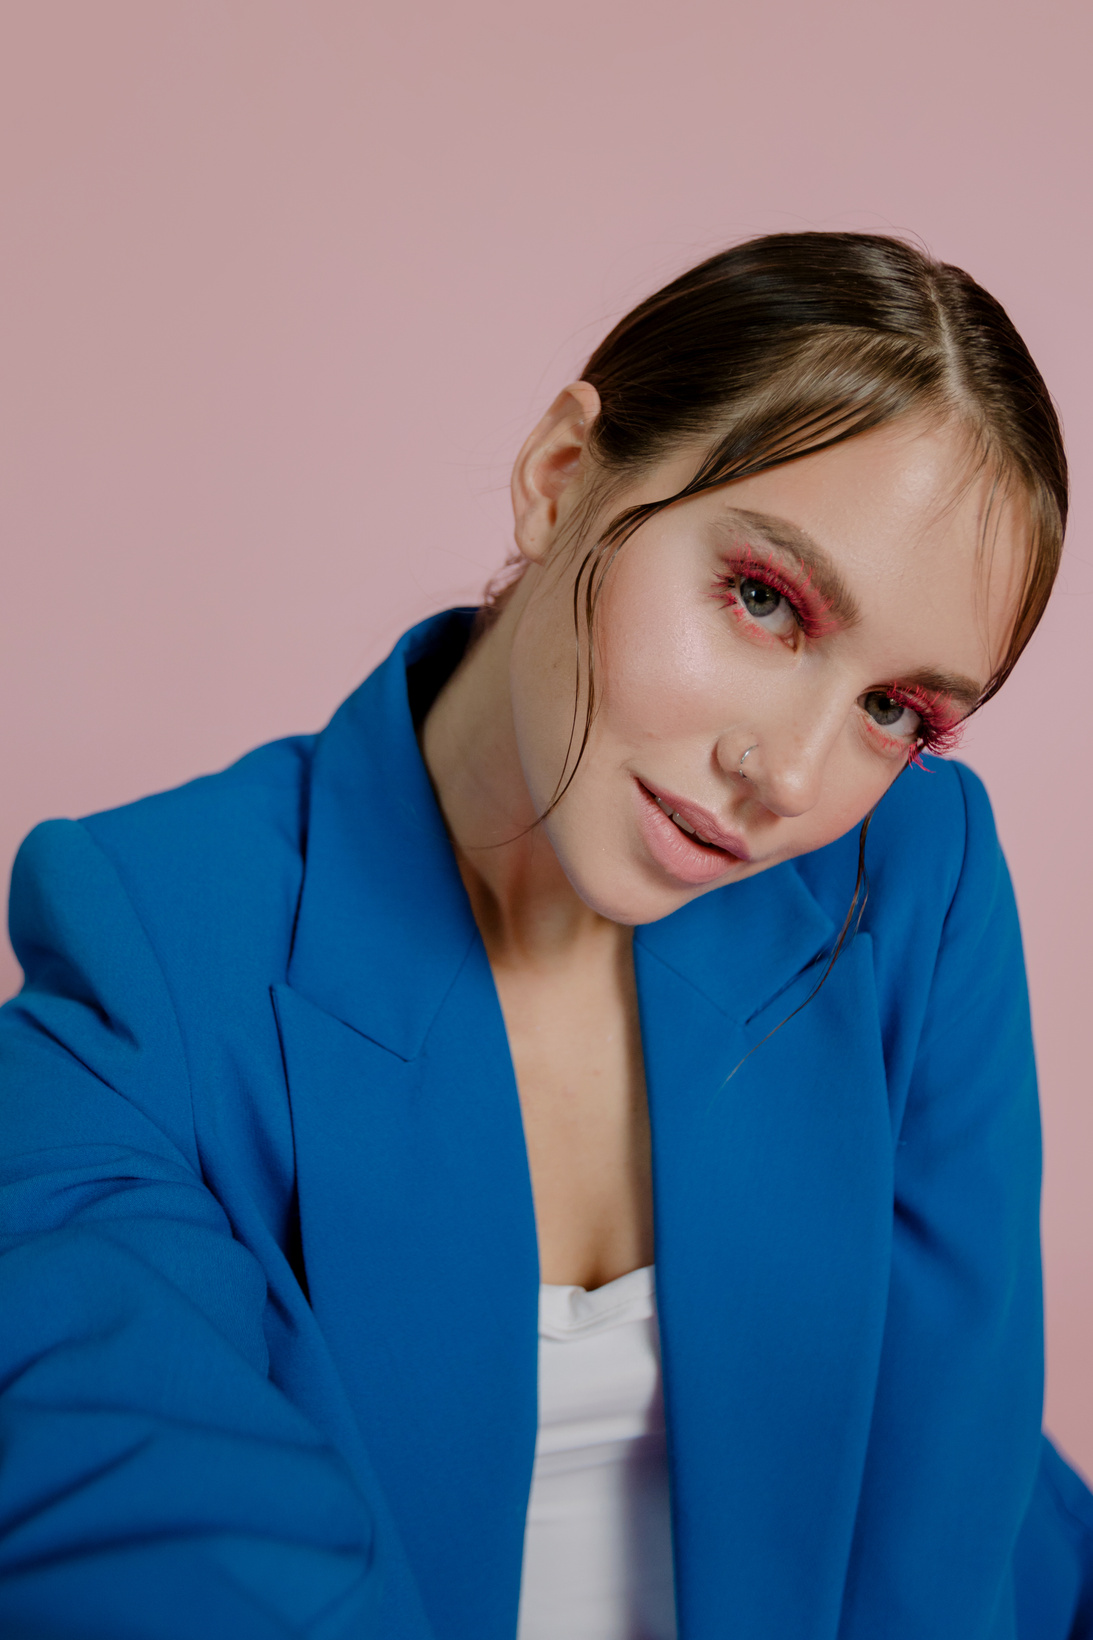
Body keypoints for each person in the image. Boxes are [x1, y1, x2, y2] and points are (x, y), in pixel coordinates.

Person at [0, 232, 1090, 1640]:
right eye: (765, 601)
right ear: (563, 474)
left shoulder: (912, 876)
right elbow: (154, 1526)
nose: (796, 777)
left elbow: (940, 1516)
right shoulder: (149, 930)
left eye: (898, 712)